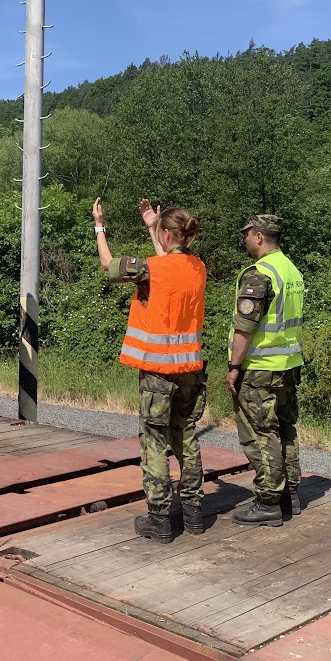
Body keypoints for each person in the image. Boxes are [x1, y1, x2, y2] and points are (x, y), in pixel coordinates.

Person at [94, 197, 208, 542]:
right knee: (186, 438)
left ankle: (159, 519)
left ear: (169, 235)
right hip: (190, 370)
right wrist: (152, 225)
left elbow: (108, 265)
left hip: (158, 373)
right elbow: (166, 265)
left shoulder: (150, 268)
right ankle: (193, 515)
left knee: (155, 442)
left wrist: (99, 225)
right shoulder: (198, 266)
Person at [226, 214, 304, 527]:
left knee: (259, 433)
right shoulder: (291, 269)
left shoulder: (259, 273)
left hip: (259, 369)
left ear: (259, 236)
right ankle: (290, 495)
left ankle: (269, 499)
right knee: (285, 429)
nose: (244, 240)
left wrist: (234, 366)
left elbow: (245, 327)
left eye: (247, 235)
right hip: (288, 366)